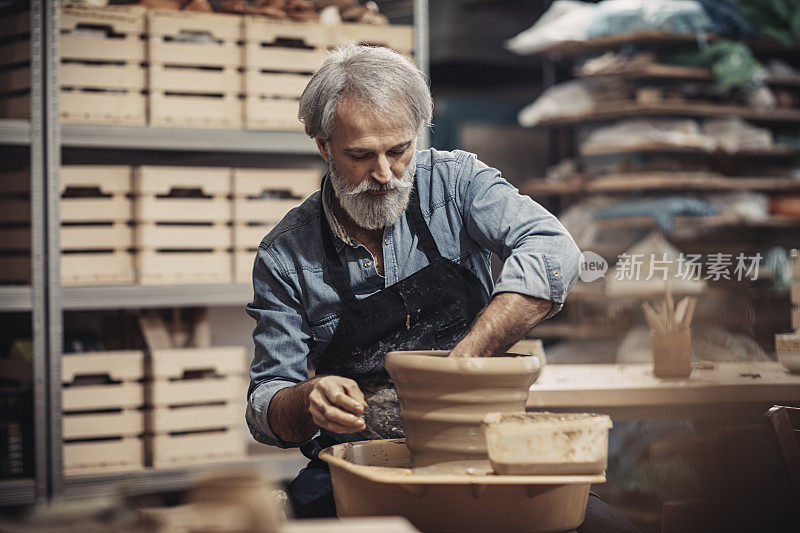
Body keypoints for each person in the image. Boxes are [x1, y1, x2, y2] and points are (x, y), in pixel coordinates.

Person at [246, 44, 639, 532]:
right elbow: (267, 403)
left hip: (481, 444)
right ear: (324, 146)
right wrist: (308, 400)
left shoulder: (456, 183)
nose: (385, 175)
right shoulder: (286, 254)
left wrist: (464, 363)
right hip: (361, 457)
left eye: (399, 150)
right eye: (361, 156)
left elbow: (554, 250)